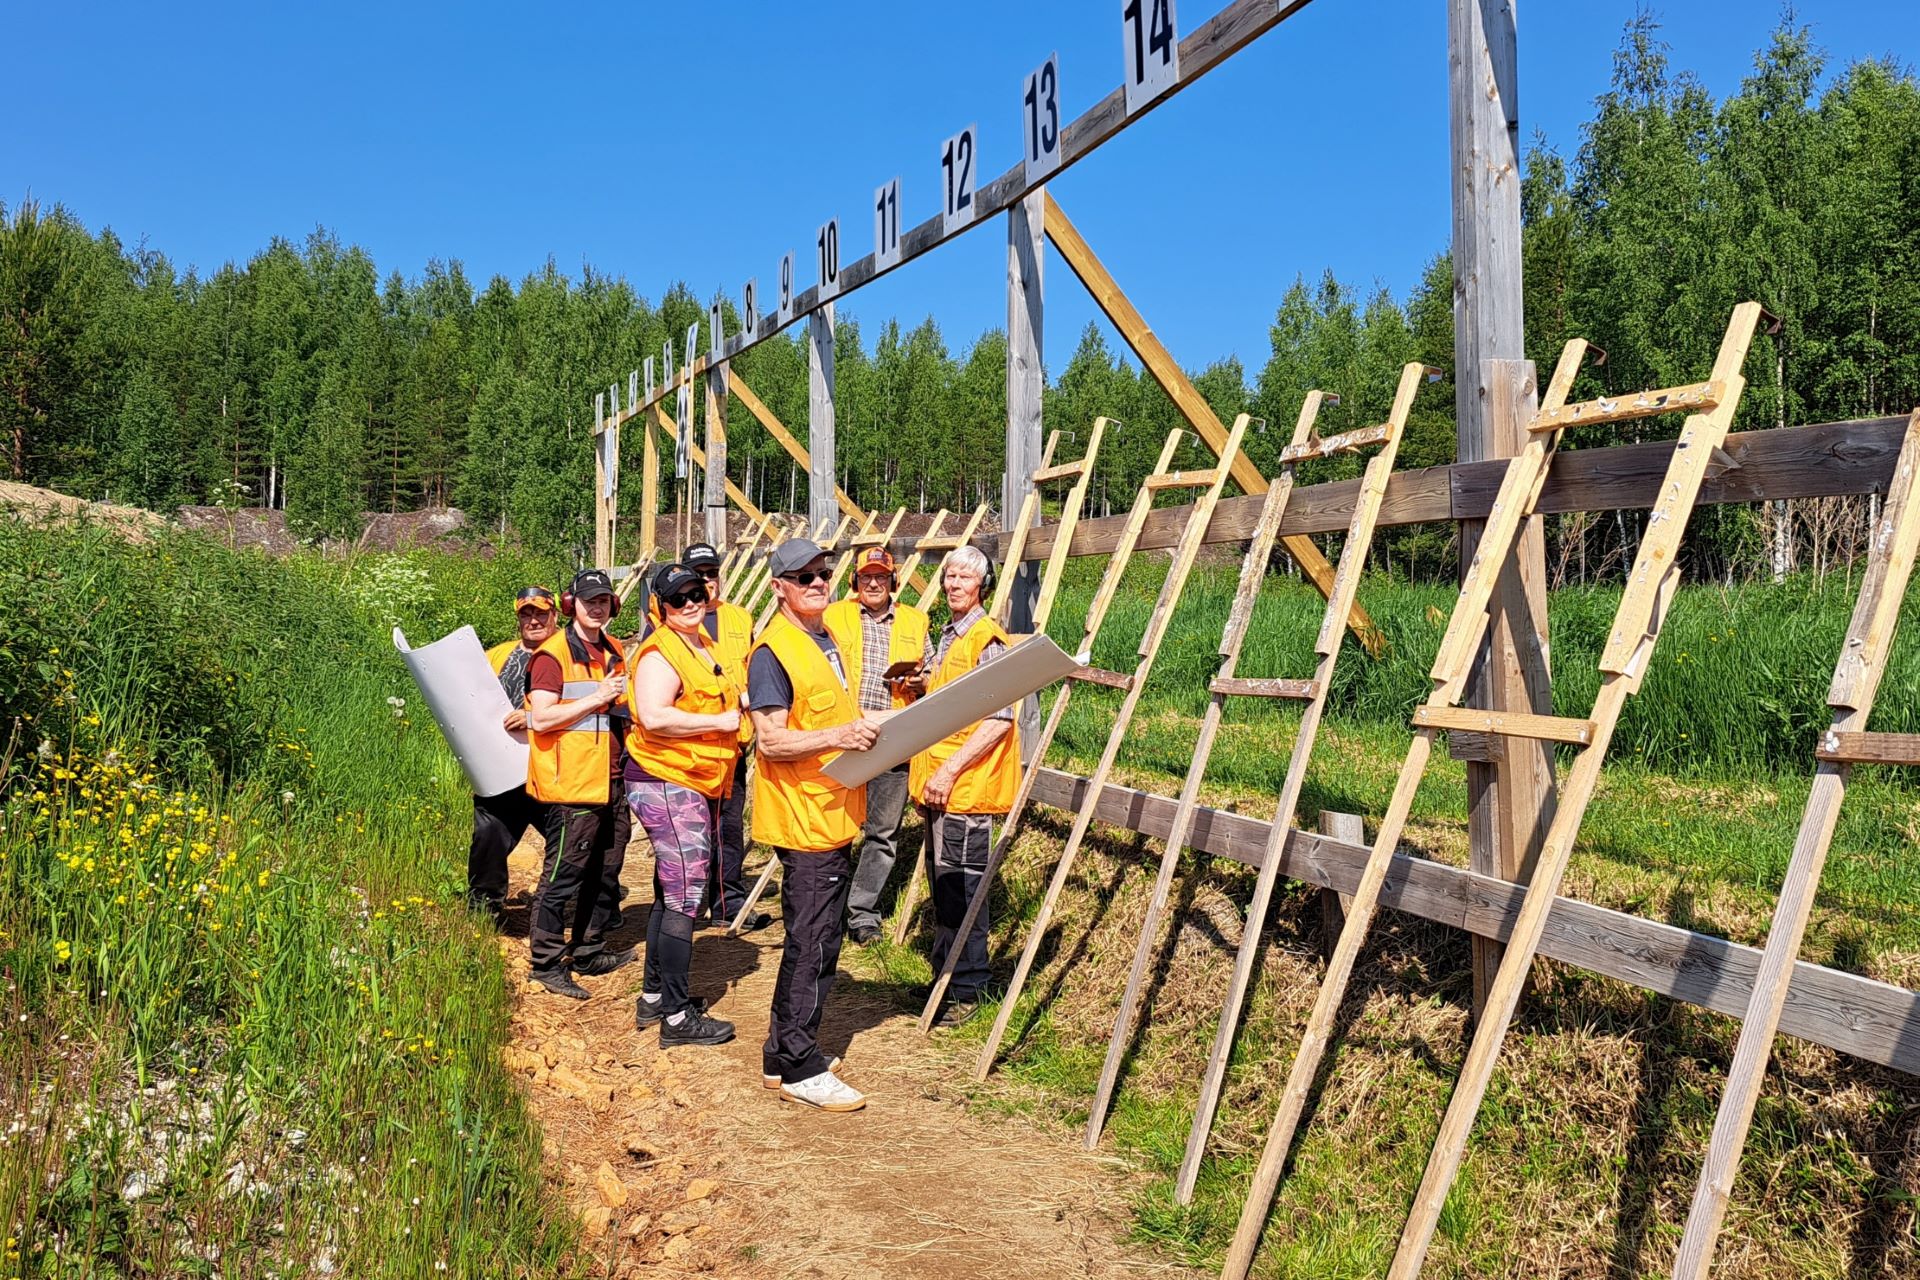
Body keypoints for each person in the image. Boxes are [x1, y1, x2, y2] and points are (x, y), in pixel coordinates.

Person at [746, 538, 883, 1111]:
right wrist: (839, 736)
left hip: (831, 813)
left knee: (818, 937)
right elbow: (771, 740)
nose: (818, 582)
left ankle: (781, 1054)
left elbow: (836, 715)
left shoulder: (824, 640)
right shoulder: (773, 652)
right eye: (803, 577)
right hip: (804, 819)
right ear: (779, 587)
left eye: (823, 573)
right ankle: (801, 1065)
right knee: (812, 943)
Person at [624, 563, 743, 1047]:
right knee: (685, 898)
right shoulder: (660, 653)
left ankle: (655, 997)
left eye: (696, 593)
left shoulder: (700, 644)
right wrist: (721, 723)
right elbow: (654, 716)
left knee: (669, 891)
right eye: (678, 599)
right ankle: (676, 1019)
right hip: (668, 782)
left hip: (690, 781)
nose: (691, 603)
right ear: (661, 607)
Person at [911, 546, 1021, 1030]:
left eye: (964, 578)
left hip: (966, 789)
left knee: (963, 890)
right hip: (944, 788)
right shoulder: (951, 635)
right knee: (945, 889)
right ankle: (946, 980)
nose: (953, 584)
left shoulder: (985, 639)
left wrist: (948, 771)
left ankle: (969, 988)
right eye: (949, 576)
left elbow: (998, 719)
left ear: (983, 586)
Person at [524, 568, 636, 999]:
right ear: (572, 605)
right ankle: (546, 963)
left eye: (603, 600)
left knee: (606, 871)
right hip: (572, 785)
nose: (597, 608)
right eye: (589, 601)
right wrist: (596, 698)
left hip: (612, 778)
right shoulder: (552, 656)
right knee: (562, 877)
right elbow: (541, 718)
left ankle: (589, 949)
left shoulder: (613, 648)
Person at [823, 547, 933, 945]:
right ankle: (827, 909)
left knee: (883, 833)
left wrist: (920, 682)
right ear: (855, 582)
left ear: (893, 582)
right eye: (866, 577)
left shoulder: (915, 620)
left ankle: (862, 914)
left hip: (892, 736)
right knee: (833, 827)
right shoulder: (833, 616)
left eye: (881, 577)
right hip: (844, 734)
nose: (874, 583)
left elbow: (931, 671)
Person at [679, 541, 770, 932]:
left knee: (728, 829)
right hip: (689, 746)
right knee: (687, 830)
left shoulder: (739, 619)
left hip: (732, 744)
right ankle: (682, 907)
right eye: (698, 575)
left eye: (711, 573)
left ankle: (727, 902)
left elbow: (753, 670)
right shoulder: (674, 619)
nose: (706, 581)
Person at [470, 586, 558, 923]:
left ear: (555, 615)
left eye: (541, 613)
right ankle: (483, 912)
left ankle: (589, 907)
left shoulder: (566, 653)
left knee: (573, 841)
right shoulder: (496, 655)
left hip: (551, 767)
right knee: (489, 837)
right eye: (526, 614)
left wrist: (532, 718)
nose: (534, 620)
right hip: (501, 769)